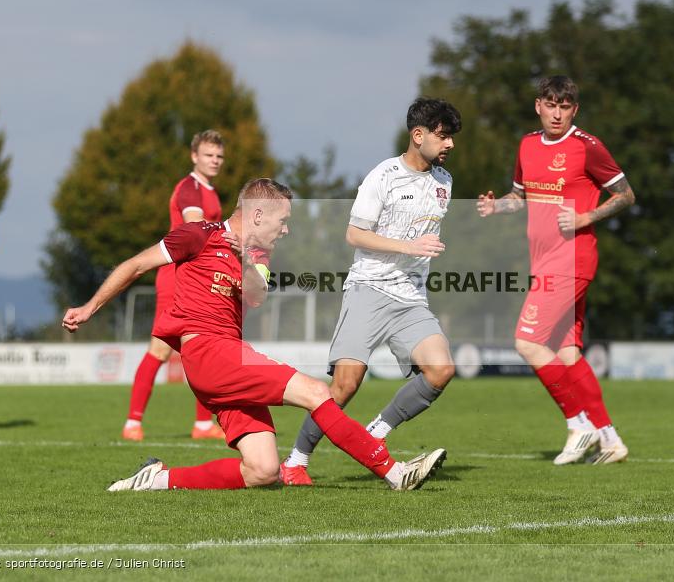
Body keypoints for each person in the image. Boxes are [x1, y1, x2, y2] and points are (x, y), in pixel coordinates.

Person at [63, 178, 446, 492]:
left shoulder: (259, 255)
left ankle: (158, 479)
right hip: (210, 354)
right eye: (282, 219)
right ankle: (395, 474)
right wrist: (89, 307)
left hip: (226, 360)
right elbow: (135, 265)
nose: (286, 228)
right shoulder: (199, 235)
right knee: (316, 392)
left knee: (262, 471)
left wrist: (247, 256)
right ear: (257, 213)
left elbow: (256, 295)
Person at [280, 98, 461, 486]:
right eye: (443, 136)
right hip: (368, 289)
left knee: (441, 369)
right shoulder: (382, 177)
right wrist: (409, 248)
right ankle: (295, 461)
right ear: (418, 135)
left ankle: (375, 432)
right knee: (344, 386)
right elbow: (354, 234)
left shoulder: (445, 182)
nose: (449, 145)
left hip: (411, 297)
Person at [476, 76, 635, 465]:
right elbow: (520, 196)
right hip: (543, 260)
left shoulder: (587, 147)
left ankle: (579, 424)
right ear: (538, 106)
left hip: (573, 258)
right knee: (566, 352)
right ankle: (610, 439)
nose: (557, 113)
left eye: (565, 107)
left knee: (527, 342)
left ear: (574, 110)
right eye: (551, 105)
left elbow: (626, 195)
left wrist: (586, 217)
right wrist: (498, 206)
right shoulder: (528, 144)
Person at [123, 130, 227, 441]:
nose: (215, 161)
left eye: (219, 156)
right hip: (176, 277)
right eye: (209, 155)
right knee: (160, 350)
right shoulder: (190, 188)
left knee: (201, 348)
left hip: (195, 277)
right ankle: (132, 423)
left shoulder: (209, 190)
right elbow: (194, 224)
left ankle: (202, 425)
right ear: (194, 156)